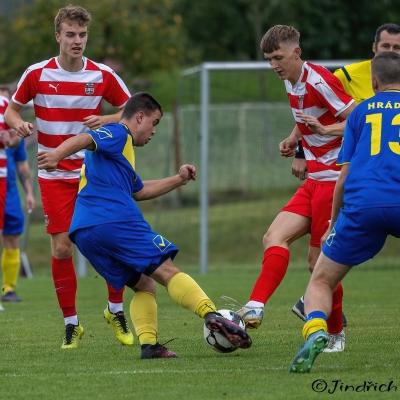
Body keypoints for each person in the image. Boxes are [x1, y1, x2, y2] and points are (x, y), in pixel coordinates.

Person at [37, 92, 252, 358]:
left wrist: (179, 179)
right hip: (114, 220)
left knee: (144, 285)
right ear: (139, 117)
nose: (154, 131)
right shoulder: (119, 133)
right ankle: (213, 315)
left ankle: (149, 346)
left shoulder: (120, 155)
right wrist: (56, 155)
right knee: (167, 270)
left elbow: (139, 191)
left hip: (85, 232)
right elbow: (86, 138)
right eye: (154, 122)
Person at [4, 5, 155, 350]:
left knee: (109, 240)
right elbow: (12, 110)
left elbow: (132, 111)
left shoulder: (101, 75)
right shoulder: (37, 73)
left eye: (82, 35)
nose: (77, 40)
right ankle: (71, 324)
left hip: (94, 173)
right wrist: (20, 124)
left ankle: (115, 309)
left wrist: (107, 119)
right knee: (62, 248)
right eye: (70, 34)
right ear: (57, 35)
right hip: (53, 172)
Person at [238, 25, 355, 352]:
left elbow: (357, 118)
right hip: (313, 179)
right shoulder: (291, 80)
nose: (274, 65)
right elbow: (308, 116)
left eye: (278, 57)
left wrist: (325, 130)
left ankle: (335, 333)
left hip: (332, 181)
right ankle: (255, 306)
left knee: (319, 265)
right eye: (268, 59)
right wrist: (295, 138)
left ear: (296, 53)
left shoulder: (318, 80)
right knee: (273, 237)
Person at [289, 51, 400, 373]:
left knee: (321, 280)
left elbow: (344, 176)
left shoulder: (360, 113)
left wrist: (333, 223)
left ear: (374, 82)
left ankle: (316, 332)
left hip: (363, 203)